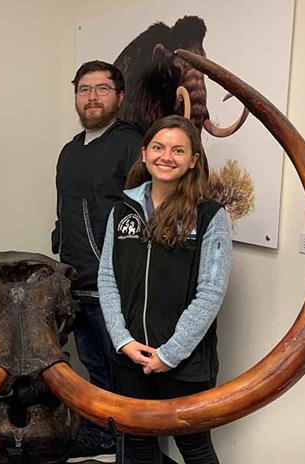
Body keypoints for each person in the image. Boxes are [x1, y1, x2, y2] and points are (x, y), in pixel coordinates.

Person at [98, 115, 232, 464]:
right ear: (144, 154)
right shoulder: (120, 211)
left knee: (196, 449)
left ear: (193, 160)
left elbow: (210, 293)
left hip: (185, 364)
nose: (166, 156)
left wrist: (170, 354)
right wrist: (122, 341)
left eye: (178, 150)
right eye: (158, 147)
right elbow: (108, 279)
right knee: (139, 447)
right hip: (130, 359)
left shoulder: (209, 216)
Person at [52, 60, 146, 463]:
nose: (92, 97)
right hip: (76, 283)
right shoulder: (70, 150)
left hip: (115, 288)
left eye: (102, 88)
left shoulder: (132, 145)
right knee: (94, 368)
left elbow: (143, 218)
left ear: (119, 96)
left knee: (125, 372)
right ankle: (102, 436)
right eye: (84, 89)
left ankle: (132, 448)